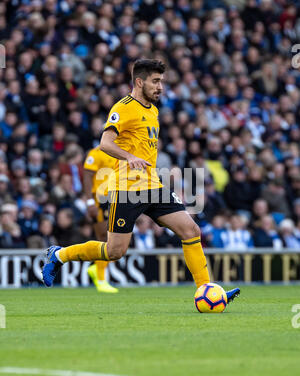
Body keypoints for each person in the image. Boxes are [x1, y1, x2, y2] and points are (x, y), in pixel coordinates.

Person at [42, 59, 240, 304]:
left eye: (162, 82)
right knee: (114, 251)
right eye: (155, 81)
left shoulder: (153, 110)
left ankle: (206, 290)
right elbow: (105, 143)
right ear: (139, 82)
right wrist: (129, 157)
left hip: (153, 186)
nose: (160, 87)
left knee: (191, 230)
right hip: (127, 189)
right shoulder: (123, 107)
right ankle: (59, 255)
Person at [83, 145, 118, 293]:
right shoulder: (97, 152)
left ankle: (97, 269)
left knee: (116, 239)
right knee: (104, 236)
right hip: (100, 199)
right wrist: (90, 201)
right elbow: (86, 175)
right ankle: (101, 278)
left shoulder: (122, 151)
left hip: (116, 198)